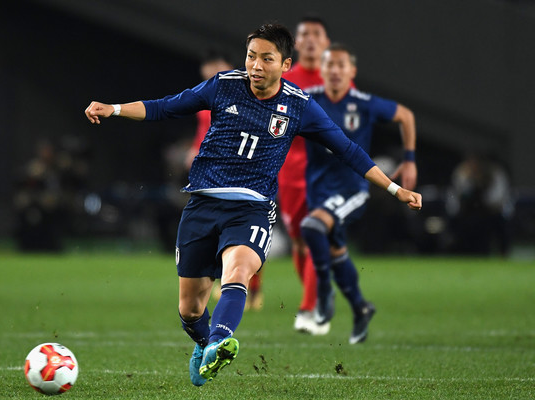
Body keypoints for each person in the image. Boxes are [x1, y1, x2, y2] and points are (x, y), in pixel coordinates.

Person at [85, 24, 422, 386]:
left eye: (266, 59)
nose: (256, 66)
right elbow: (165, 107)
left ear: (286, 64)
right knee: (190, 309)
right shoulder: (223, 85)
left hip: (252, 208)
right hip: (202, 204)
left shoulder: (299, 106)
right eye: (251, 56)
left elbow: (348, 150)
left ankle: (219, 341)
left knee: (238, 270)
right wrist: (114, 108)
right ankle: (204, 343)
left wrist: (394, 189)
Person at [300, 42, 418, 344]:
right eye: (330, 64)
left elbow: (405, 115)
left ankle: (323, 293)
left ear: (352, 71)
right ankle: (361, 308)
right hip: (318, 190)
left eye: (341, 65)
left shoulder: (363, 103)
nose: (335, 70)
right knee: (336, 251)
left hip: (352, 187)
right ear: (321, 70)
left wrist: (409, 160)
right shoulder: (307, 100)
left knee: (313, 227)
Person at [184, 51, 265, 311]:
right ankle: (231, 281)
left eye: (216, 67)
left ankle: (251, 286)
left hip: (249, 174)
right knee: (221, 231)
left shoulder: (246, 93)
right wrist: (195, 150)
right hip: (215, 175)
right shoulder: (208, 95)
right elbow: (204, 131)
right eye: (207, 69)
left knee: (249, 232)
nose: (211, 73)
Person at [279, 16, 331, 335]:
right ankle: (318, 296)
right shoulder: (284, 79)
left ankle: (308, 308)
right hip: (289, 172)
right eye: (305, 34)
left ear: (326, 43)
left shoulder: (336, 79)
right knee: (299, 242)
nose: (310, 39)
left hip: (325, 172)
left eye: (316, 34)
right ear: (296, 43)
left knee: (315, 234)